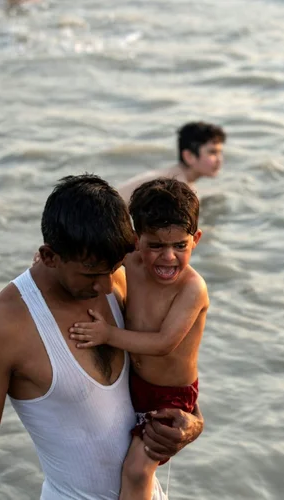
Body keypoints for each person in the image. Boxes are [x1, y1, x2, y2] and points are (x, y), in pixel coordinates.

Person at [0, 174, 204, 500]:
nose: (106, 286)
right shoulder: (2, 328)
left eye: (113, 268)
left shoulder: (116, 274)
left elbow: (167, 375)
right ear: (49, 257)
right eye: (91, 275)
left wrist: (192, 425)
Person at [68, 178, 208, 500]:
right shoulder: (130, 262)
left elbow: (163, 343)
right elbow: (92, 254)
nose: (167, 257)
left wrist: (108, 335)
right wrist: (43, 260)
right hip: (133, 384)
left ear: (195, 240)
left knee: (137, 470)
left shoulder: (192, 288)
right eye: (155, 245)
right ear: (136, 240)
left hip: (169, 398)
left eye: (180, 246)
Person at [117, 122, 226, 203]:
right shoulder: (176, 188)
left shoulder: (173, 177)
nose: (219, 159)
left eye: (220, 152)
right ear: (189, 156)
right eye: (212, 152)